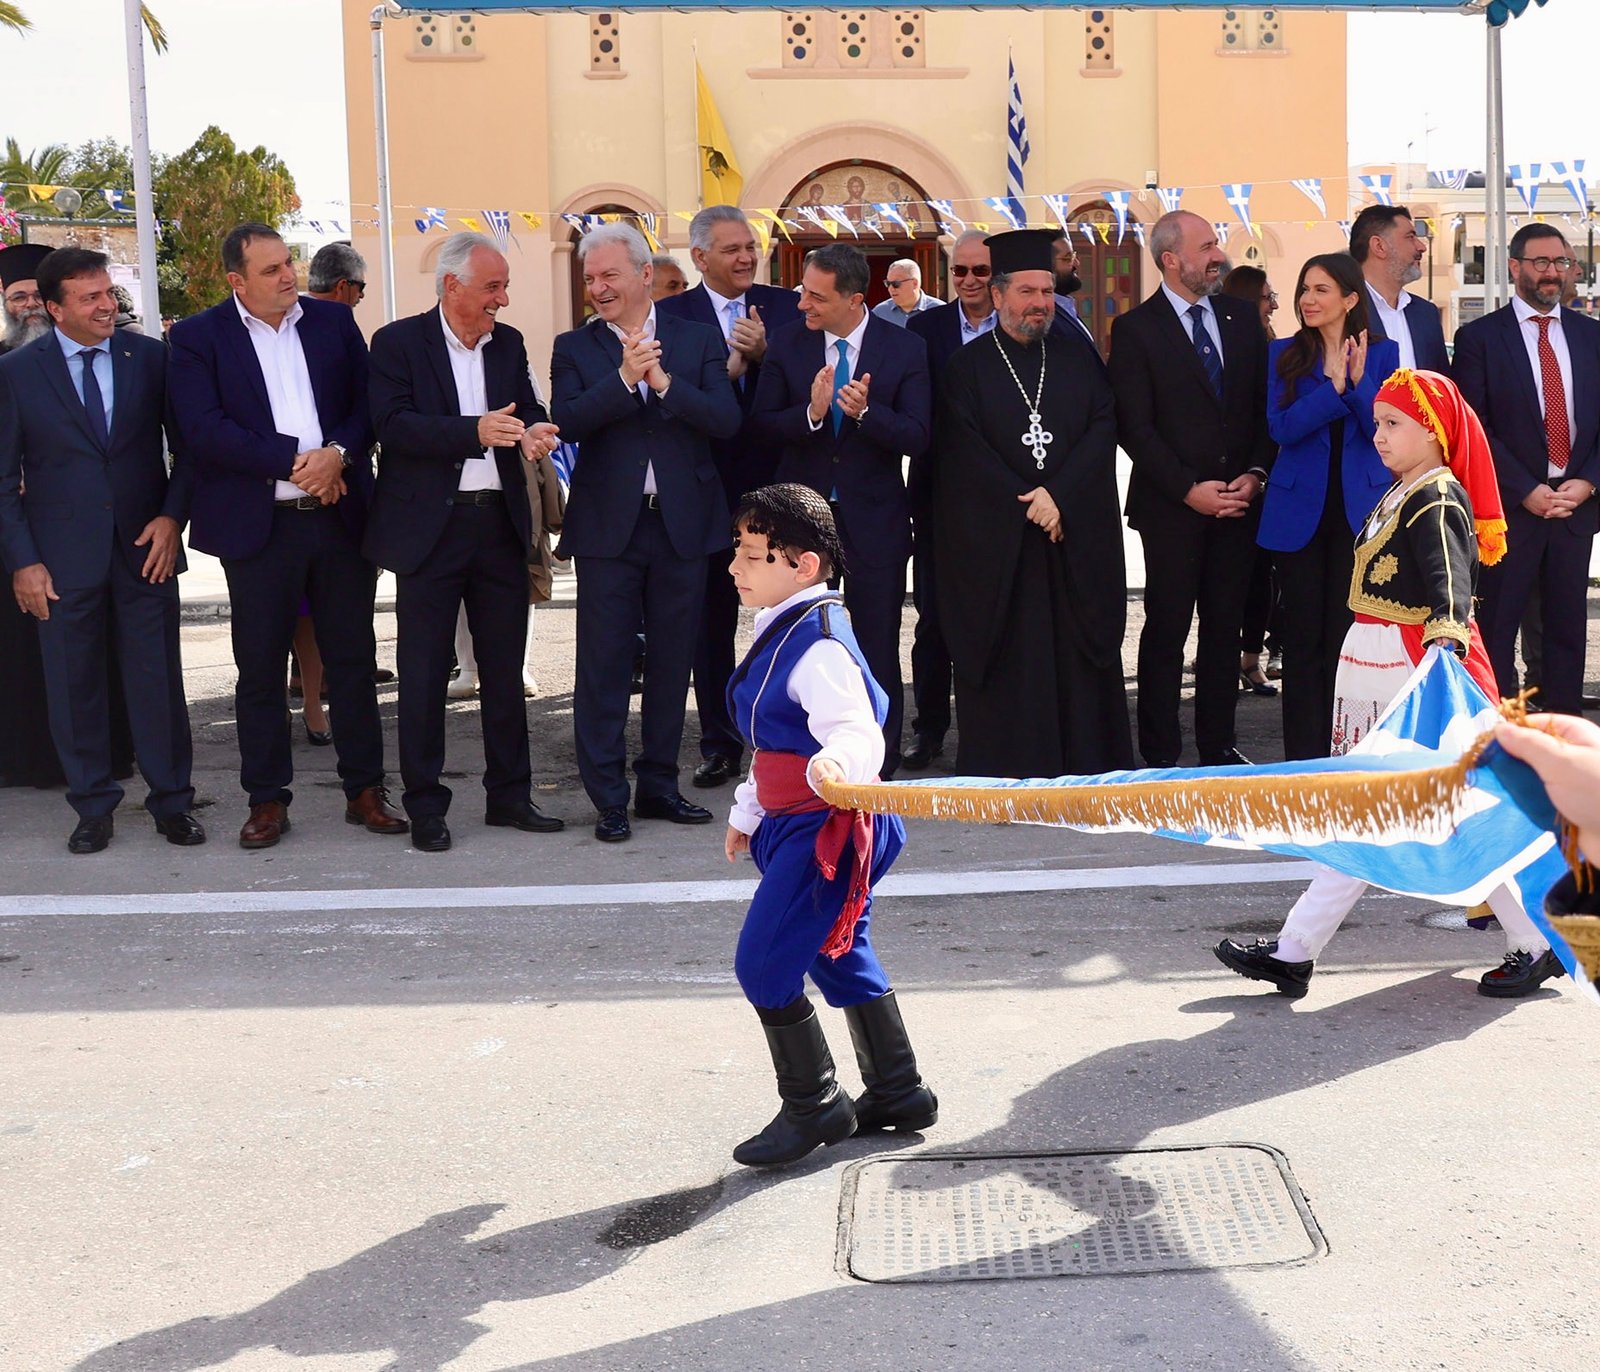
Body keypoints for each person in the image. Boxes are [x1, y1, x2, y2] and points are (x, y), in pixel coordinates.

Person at [1216, 367, 1564, 999]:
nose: (1378, 435)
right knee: (1422, 814)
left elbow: (1449, 581)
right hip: (1379, 659)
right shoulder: (1404, 490)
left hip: (1411, 670)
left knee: (1379, 810)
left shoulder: (1434, 497)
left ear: (1433, 431)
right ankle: (1535, 942)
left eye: (1393, 423)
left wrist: (1443, 656)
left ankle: (1297, 951)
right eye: (1377, 423)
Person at [170, 223, 405, 850]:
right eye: (271, 270)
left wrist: (339, 455)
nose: (288, 277)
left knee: (353, 662)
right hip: (261, 529)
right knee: (259, 671)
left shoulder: (331, 325)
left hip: (338, 519)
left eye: (288, 264)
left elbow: (369, 407)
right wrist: (301, 463)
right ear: (235, 281)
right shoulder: (197, 338)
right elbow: (203, 430)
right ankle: (267, 800)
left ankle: (365, 790)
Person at [722, 483, 936, 1167]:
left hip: (826, 833)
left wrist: (834, 765)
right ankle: (898, 1091)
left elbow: (859, 735)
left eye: (753, 555)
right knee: (838, 952)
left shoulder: (818, 646)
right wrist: (748, 812)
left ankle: (815, 1104)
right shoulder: (783, 626)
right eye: (740, 551)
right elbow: (771, 740)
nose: (736, 567)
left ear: (804, 565)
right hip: (796, 823)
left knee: (762, 965)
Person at [365, 230, 565, 852]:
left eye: (503, 286)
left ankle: (510, 796)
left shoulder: (507, 343)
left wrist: (534, 431)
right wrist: (472, 431)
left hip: (498, 525)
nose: (502, 300)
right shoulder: (397, 342)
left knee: (503, 672)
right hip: (429, 529)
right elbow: (392, 427)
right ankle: (426, 806)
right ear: (452, 286)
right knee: (422, 673)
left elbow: (527, 403)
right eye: (492, 287)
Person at [0, 247, 202, 852]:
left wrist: (172, 518)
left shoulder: (151, 358)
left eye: (108, 294)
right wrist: (23, 562)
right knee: (73, 684)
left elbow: (188, 450)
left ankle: (172, 803)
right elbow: (4, 478)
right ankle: (92, 806)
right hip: (59, 558)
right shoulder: (17, 372)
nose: (107, 306)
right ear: (56, 308)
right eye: (90, 298)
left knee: (157, 682)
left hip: (146, 549)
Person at [551, 222, 740, 842]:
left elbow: (725, 420)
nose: (598, 288)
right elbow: (570, 421)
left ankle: (659, 785)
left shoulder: (694, 337)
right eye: (589, 279)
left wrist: (664, 384)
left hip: (684, 526)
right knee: (603, 665)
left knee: (672, 663)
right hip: (610, 530)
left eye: (608, 276)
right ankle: (608, 796)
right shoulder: (574, 348)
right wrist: (626, 379)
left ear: (642, 276)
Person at [930, 228, 1133, 777]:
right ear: (997, 296)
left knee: (1078, 650)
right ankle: (1013, 764)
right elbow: (965, 453)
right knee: (1015, 652)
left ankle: (1088, 764)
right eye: (1026, 292)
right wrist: (1030, 502)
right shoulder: (965, 370)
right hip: (1006, 543)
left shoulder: (1077, 357)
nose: (1039, 303)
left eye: (1046, 292)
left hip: (1070, 534)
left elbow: (1101, 425)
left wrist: (1058, 495)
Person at [750, 241, 932, 777]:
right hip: (801, 520)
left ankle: (878, 761)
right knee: (798, 636)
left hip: (875, 517)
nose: (803, 304)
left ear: (855, 300)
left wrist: (866, 413)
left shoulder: (905, 349)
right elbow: (760, 426)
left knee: (875, 639)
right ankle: (803, 756)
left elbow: (919, 437)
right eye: (803, 292)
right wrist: (811, 412)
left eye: (816, 297)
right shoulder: (786, 344)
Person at [1109, 210, 1274, 768]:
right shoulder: (1135, 329)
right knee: (1166, 629)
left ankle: (1218, 746)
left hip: (1239, 505)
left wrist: (1254, 475)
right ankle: (1158, 752)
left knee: (1225, 629)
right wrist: (1187, 489)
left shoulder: (1242, 319)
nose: (1219, 255)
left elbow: (1260, 409)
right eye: (1206, 246)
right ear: (1170, 259)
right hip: (1172, 510)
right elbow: (1135, 427)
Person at [656, 205, 802, 789]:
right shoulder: (670, 315)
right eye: (731, 249)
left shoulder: (791, 308)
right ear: (699, 258)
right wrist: (730, 369)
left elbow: (807, 384)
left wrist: (769, 358)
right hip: (703, 489)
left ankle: (790, 739)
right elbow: (672, 399)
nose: (746, 258)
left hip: (779, 487)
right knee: (710, 623)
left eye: (750, 247)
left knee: (786, 617)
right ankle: (718, 743)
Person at [1257, 253, 1399, 760]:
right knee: (1301, 640)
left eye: (1321, 290)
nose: (1308, 300)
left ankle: (1346, 753)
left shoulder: (1384, 354)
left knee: (1348, 639)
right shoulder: (1283, 354)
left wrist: (1358, 387)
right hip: (1298, 514)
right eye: (1304, 289)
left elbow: (1384, 433)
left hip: (1359, 512)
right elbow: (1282, 429)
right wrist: (1333, 387)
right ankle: (1301, 759)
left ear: (1350, 299)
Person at [1454, 224, 1600, 717]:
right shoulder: (1478, 338)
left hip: (1574, 508)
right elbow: (1473, 428)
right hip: (1510, 510)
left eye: (1561, 263)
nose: (1552, 274)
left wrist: (1588, 482)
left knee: (1565, 635)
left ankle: (1563, 741)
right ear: (1514, 267)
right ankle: (1494, 738)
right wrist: (1524, 489)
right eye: (1540, 263)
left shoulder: (1592, 335)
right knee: (1495, 630)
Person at [902, 230, 998, 770]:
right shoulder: (925, 329)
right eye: (959, 271)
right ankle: (930, 728)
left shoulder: (1016, 321)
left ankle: (990, 731)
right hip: (939, 492)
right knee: (934, 619)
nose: (968, 282)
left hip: (1004, 495)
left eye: (979, 272)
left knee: (995, 616)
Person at [1220, 264, 1281, 699]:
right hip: (1227, 484)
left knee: (1264, 580)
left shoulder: (1275, 344)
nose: (1274, 304)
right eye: (1266, 296)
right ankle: (1225, 662)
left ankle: (1250, 660)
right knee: (1229, 585)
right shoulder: (1230, 345)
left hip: (1268, 482)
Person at [1349, 204, 1449, 374]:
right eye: (1410, 237)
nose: (1421, 247)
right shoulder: (1343, 311)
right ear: (1379, 246)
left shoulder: (1426, 314)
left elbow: (1440, 385)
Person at [1051, 231, 1098, 348]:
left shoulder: (1065, 307)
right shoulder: (1042, 317)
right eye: (1068, 259)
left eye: (1074, 256)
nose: (1076, 263)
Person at [870, 258, 940, 326]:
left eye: (896, 284)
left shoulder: (939, 311)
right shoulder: (879, 313)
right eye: (888, 284)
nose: (890, 289)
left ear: (914, 283)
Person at [306, 242, 368, 308]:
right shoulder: (336, 317)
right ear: (342, 286)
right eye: (361, 287)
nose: (362, 295)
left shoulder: (296, 311)